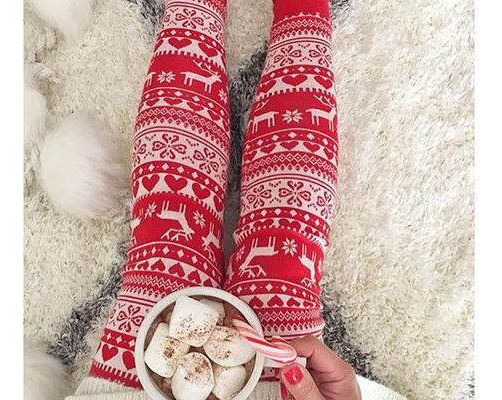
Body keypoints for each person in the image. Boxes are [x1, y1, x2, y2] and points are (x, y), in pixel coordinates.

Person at [68, 0, 405, 399]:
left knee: (170, 224)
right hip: (280, 380)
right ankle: (301, 12)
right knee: (284, 239)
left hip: (140, 378)